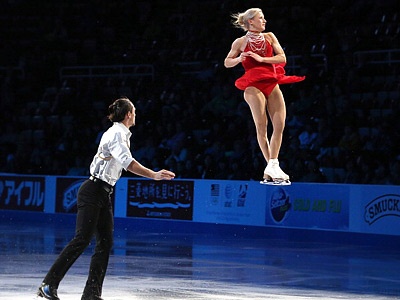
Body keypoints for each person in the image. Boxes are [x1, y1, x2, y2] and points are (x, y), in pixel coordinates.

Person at [37, 97, 175, 300]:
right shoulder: (117, 133)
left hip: (103, 192)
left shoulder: (121, 133)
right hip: (92, 190)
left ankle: (92, 293)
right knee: (82, 239)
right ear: (128, 114)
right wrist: (154, 174)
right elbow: (128, 163)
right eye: (134, 110)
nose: (135, 113)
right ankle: (48, 284)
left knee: (105, 242)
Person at [224, 8, 305, 183]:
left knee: (280, 124)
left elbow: (282, 58)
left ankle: (272, 166)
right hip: (253, 86)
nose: (265, 20)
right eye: (261, 18)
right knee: (262, 127)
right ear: (250, 21)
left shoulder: (269, 36)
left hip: (271, 82)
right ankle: (271, 167)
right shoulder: (240, 42)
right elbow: (227, 62)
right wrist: (239, 59)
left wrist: (262, 60)